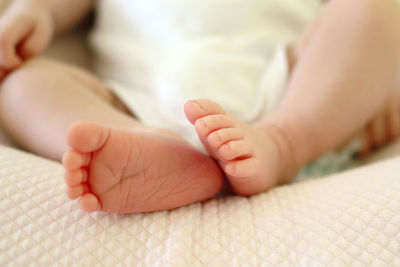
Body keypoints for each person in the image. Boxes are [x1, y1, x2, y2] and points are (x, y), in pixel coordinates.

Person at [0, 0, 399, 214]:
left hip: (290, 92)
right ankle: (153, 152)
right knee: (22, 84)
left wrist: (378, 84)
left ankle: (283, 146)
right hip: (137, 107)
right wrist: (34, 10)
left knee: (375, 10)